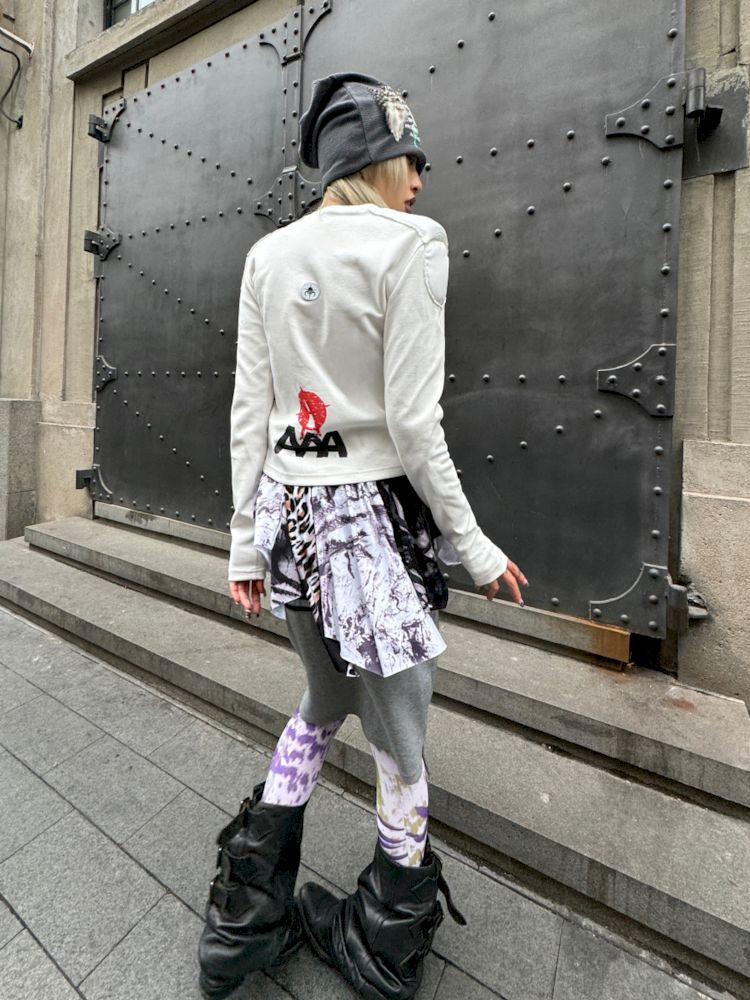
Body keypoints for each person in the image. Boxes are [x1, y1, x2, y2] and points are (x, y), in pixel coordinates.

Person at [197, 71, 527, 1000]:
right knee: (401, 741)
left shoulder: (268, 254)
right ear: (373, 160)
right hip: (372, 529)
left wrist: (244, 540)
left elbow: (251, 411)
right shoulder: (413, 244)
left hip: (291, 520)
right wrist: (473, 545)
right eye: (409, 158)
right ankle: (385, 944)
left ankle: (243, 919)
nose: (420, 180)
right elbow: (415, 425)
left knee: (321, 701)